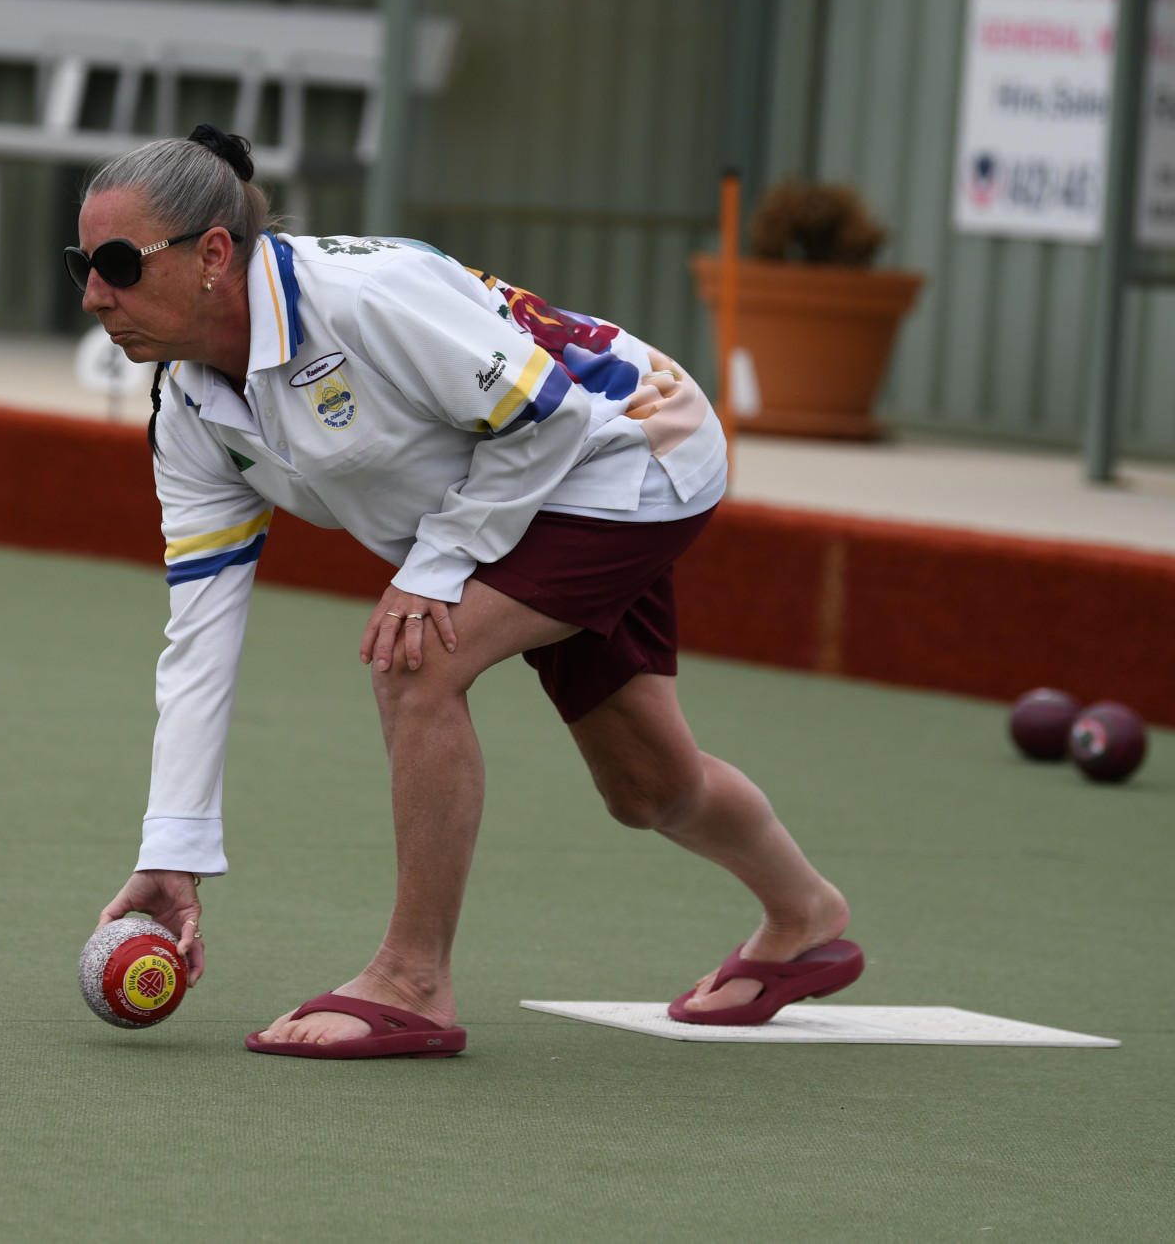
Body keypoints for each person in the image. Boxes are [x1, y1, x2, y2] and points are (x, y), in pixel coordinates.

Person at [79, 125, 860, 1059]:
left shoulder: (363, 298)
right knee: (647, 786)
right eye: (81, 265)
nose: (94, 295)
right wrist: (173, 849)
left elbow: (548, 415)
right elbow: (200, 636)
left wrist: (434, 564)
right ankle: (805, 915)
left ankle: (413, 979)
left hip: (629, 452)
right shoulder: (191, 414)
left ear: (212, 254)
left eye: (118, 263)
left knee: (416, 665)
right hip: (522, 493)